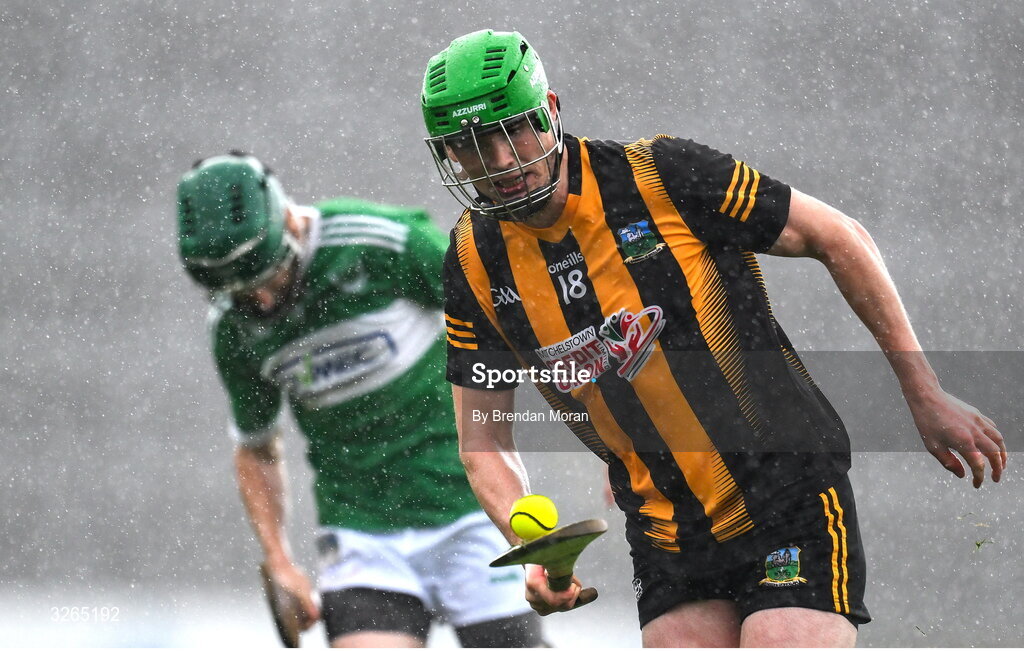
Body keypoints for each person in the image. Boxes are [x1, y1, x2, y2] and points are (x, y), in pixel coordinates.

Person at [419, 30, 1007, 647]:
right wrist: (530, 546)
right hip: (667, 533)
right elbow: (482, 438)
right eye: (469, 147)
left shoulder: (658, 174)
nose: (499, 162)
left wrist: (923, 390)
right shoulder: (472, 261)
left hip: (784, 490)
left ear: (551, 111)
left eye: (511, 132)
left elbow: (839, 237)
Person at [175, 152, 545, 648]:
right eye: (240, 293)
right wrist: (279, 559)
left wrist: (609, 435)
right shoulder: (232, 330)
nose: (260, 302)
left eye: (268, 278)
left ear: (289, 222)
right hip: (363, 530)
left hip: (469, 511)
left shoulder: (382, 242)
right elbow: (257, 448)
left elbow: (513, 324)